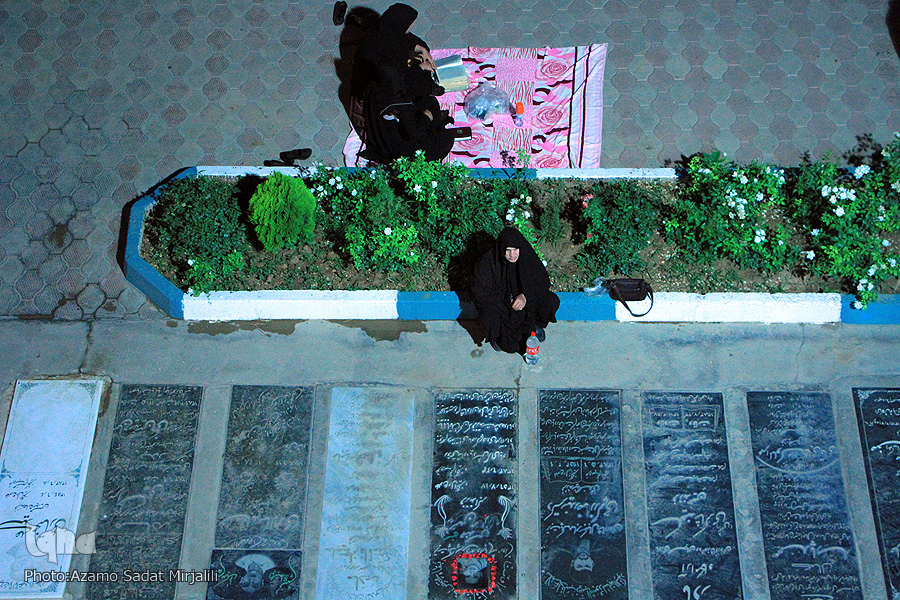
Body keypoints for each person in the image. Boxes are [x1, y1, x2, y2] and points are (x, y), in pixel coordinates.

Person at [472, 227, 560, 354]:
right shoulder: (488, 263)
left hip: (525, 304)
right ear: (502, 249)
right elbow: (481, 292)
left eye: (515, 250)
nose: (512, 255)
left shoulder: (528, 258)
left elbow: (542, 282)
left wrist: (525, 296)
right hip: (501, 306)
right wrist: (507, 302)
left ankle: (536, 325)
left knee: (550, 300)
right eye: (508, 250)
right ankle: (497, 336)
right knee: (492, 318)